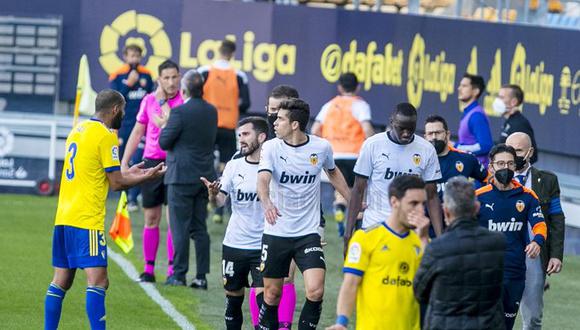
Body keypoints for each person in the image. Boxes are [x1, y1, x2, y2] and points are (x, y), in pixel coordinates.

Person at [44, 90, 165, 330]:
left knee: (61, 281)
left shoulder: (78, 130)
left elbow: (101, 174)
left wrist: (134, 173)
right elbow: (116, 183)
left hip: (64, 217)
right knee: (99, 282)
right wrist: (146, 177)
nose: (124, 114)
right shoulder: (106, 135)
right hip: (86, 220)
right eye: (123, 110)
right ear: (115, 110)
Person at [257, 98, 350, 330]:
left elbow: (333, 172)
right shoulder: (271, 147)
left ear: (295, 124)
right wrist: (266, 201)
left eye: (279, 118)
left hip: (308, 232)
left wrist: (354, 200)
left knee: (316, 290)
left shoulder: (321, 147)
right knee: (271, 294)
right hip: (276, 231)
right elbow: (263, 179)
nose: (274, 122)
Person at [327, 175, 430, 330]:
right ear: (394, 202)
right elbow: (351, 284)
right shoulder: (365, 238)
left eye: (423, 204)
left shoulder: (423, 243)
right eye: (414, 203)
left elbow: (428, 289)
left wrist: (423, 240)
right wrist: (342, 322)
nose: (420, 210)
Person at [345, 103, 443, 253]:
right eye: (401, 128)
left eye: (411, 128)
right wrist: (348, 234)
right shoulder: (372, 145)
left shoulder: (426, 149)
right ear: (392, 122)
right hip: (374, 227)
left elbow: (432, 196)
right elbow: (358, 190)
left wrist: (440, 237)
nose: (406, 133)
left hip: (409, 231)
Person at [200, 116, 268, 329]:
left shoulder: (274, 166)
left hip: (264, 244)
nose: (241, 139)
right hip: (235, 243)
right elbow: (220, 201)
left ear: (262, 136)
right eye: (239, 135)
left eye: (246, 134)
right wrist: (212, 195)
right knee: (233, 299)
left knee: (265, 297)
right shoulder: (233, 165)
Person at [414, 176, 506, 330]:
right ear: (476, 208)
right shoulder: (498, 242)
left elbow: (420, 292)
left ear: (446, 211)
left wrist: (423, 241)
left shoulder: (437, 248)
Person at [121, 60, 183, 283]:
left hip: (176, 164)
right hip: (151, 164)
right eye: (166, 77)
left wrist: (163, 104)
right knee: (151, 217)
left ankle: (172, 271)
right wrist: (125, 162)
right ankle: (148, 269)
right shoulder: (148, 101)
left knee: (173, 219)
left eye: (174, 77)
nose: (171, 82)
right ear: (159, 79)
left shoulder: (184, 102)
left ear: (180, 77)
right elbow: (138, 132)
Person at [476, 144, 547, 330]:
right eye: (500, 163)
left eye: (509, 163)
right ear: (491, 167)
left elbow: (539, 224)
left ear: (515, 166)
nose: (505, 168)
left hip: (514, 273)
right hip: (485, 272)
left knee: (506, 325)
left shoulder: (528, 196)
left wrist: (537, 241)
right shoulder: (477, 197)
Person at [158, 69, 217, 289]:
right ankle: (201, 277)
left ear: (184, 90)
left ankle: (179, 274)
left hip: (180, 176)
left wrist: (164, 124)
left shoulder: (179, 112)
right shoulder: (212, 111)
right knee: (199, 227)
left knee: (180, 227)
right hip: (203, 176)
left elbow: (164, 142)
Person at [506, 132, 565, 330]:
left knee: (532, 318)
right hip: (503, 255)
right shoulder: (493, 180)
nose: (513, 155)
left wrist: (556, 255)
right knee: (496, 314)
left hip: (535, 256)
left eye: (518, 151)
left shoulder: (548, 181)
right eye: (509, 150)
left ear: (530, 152)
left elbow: (556, 218)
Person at [311, 72, 374, 237]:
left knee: (340, 191)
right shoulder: (360, 105)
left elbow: (314, 130)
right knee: (358, 194)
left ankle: (339, 208)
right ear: (358, 87)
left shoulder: (329, 105)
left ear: (339, 87)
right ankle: (357, 231)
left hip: (335, 155)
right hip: (355, 156)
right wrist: (374, 144)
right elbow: (366, 128)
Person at [199, 39, 251, 224]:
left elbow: (194, 95)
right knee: (225, 165)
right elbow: (246, 103)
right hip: (228, 125)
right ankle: (220, 211)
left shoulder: (204, 71)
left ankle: (206, 200)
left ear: (218, 51)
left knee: (207, 161)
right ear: (232, 54)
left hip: (208, 124)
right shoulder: (238, 75)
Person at [424, 115, 488, 235]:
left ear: (447, 134)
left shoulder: (466, 159)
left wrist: (476, 198)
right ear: (425, 136)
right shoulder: (419, 162)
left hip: (462, 228)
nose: (434, 137)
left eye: (438, 133)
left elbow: (489, 181)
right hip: (428, 230)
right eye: (430, 134)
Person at [108, 44, 154, 211]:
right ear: (125, 56)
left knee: (139, 159)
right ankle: (124, 197)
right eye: (131, 55)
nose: (134, 58)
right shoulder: (118, 74)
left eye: (137, 55)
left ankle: (134, 198)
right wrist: (129, 84)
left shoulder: (147, 74)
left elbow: (151, 97)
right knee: (122, 161)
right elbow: (113, 99)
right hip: (123, 125)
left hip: (141, 125)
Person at [456, 73, 493, 167]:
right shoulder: (469, 113)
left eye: (464, 86)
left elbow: (485, 146)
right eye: (460, 85)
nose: (459, 88)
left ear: (475, 91)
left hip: (477, 175)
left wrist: (457, 147)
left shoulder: (476, 115)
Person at [495, 84, 538, 164]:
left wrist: (515, 168)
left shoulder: (520, 124)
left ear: (513, 102)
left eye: (501, 97)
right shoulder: (509, 121)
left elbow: (532, 156)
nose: (497, 100)